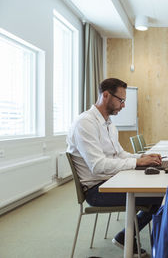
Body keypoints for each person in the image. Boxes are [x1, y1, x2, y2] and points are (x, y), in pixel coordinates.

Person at [67, 78, 162, 257]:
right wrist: (137, 163)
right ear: (106, 95)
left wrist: (142, 157)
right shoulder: (85, 123)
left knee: (160, 194)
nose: (124, 105)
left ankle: (126, 236)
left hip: (113, 180)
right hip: (97, 190)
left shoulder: (108, 124)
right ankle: (130, 238)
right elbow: (98, 166)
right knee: (160, 197)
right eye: (121, 100)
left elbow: (119, 154)